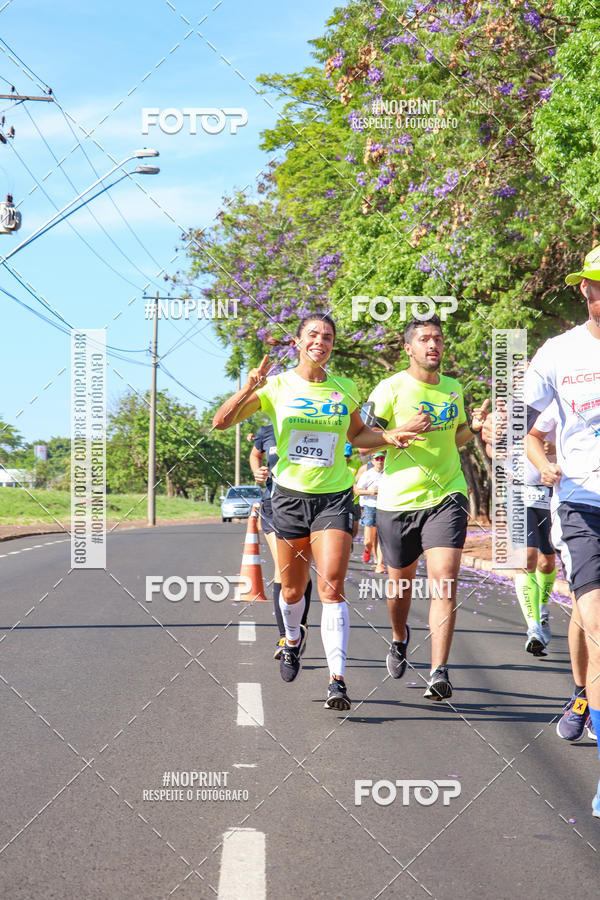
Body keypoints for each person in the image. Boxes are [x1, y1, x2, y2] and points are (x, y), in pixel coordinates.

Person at [213, 312, 423, 710]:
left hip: (334, 497)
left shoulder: (344, 387)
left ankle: (337, 680)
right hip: (289, 498)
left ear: (331, 345)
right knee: (292, 590)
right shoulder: (277, 386)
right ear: (297, 342)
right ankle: (293, 640)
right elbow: (221, 422)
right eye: (312, 335)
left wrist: (390, 437)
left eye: (327, 337)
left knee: (331, 584)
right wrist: (249, 389)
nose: (320, 342)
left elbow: (358, 435)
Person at [363, 314, 489, 701]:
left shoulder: (452, 389)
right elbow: (361, 443)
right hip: (398, 501)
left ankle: (439, 671)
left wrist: (478, 427)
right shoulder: (390, 388)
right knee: (399, 587)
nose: (433, 345)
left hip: (447, 496)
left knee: (444, 581)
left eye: (437, 338)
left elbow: (458, 437)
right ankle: (400, 637)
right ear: (408, 347)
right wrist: (395, 434)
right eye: (424, 339)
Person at [525, 244, 600, 814]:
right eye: (597, 284)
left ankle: (582, 695)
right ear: (584, 290)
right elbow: (528, 428)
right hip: (579, 501)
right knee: (596, 621)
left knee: (588, 620)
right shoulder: (558, 353)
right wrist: (545, 464)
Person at [482, 397, 558, 655]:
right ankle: (533, 626)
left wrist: (552, 448)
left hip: (548, 494)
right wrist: (493, 438)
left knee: (547, 562)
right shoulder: (506, 414)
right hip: (518, 494)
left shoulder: (551, 410)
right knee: (527, 557)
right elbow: (493, 450)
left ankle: (542, 609)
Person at [249, 423, 312, 659]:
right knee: (283, 570)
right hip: (273, 506)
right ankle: (286, 637)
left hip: (304, 507)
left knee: (301, 571)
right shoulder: (267, 431)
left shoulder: (308, 423)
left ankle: (299, 626)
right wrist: (257, 471)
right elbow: (255, 454)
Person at [354, 452, 386, 569]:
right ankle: (367, 549)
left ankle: (379, 563)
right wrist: (371, 492)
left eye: (382, 458)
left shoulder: (388, 473)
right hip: (369, 506)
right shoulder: (367, 474)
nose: (380, 461)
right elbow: (358, 491)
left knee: (381, 536)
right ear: (372, 461)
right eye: (377, 459)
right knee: (369, 540)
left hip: (383, 507)